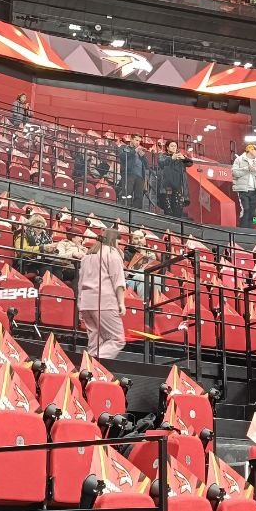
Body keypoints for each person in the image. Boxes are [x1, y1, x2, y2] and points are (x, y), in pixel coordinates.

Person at [78, 227, 127, 360]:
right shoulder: (112, 253)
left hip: (86, 303)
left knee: (95, 342)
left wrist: (80, 305)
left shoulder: (87, 255)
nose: (120, 245)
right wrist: (121, 303)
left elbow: (80, 283)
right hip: (104, 302)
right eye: (119, 242)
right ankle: (93, 362)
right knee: (117, 339)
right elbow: (118, 281)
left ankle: (88, 367)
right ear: (113, 240)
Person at [156, 140, 193, 218]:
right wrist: (171, 158)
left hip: (178, 186)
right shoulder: (163, 156)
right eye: (172, 146)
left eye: (175, 146)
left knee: (178, 209)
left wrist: (183, 158)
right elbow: (161, 162)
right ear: (167, 147)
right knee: (168, 209)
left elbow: (190, 163)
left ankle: (177, 224)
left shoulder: (180, 157)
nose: (174, 148)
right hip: (167, 186)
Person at [231, 143, 256, 229]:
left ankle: (249, 230)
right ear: (250, 150)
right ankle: (243, 229)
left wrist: (255, 171)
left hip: (254, 190)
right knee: (245, 209)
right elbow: (234, 173)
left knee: (252, 211)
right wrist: (247, 169)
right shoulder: (239, 160)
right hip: (243, 189)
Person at [117, 134, 148, 211]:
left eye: (139, 141)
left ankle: (135, 212)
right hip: (129, 174)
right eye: (136, 140)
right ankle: (125, 211)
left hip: (140, 176)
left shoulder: (139, 152)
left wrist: (143, 156)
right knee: (127, 194)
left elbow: (146, 165)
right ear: (131, 139)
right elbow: (123, 156)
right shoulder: (124, 147)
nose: (138, 142)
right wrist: (134, 151)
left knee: (139, 196)